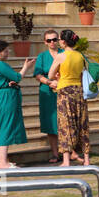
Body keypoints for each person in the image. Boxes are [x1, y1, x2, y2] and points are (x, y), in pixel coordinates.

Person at [0, 39, 36, 169]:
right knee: (5, 128)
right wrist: (26, 67)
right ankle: (3, 163)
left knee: (1, 128)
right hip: (4, 98)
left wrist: (8, 81)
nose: (8, 52)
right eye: (5, 51)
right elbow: (17, 77)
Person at [47, 29, 91, 167]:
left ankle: (66, 161)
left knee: (65, 125)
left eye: (59, 39)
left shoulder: (61, 56)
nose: (58, 41)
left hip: (65, 92)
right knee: (82, 124)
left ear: (64, 42)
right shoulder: (80, 56)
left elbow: (50, 75)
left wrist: (58, 76)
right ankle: (87, 159)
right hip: (79, 92)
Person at [32, 28, 61, 162]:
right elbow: (37, 75)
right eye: (49, 40)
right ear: (45, 42)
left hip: (64, 90)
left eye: (54, 39)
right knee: (50, 123)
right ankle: (55, 153)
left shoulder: (65, 53)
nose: (52, 42)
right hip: (47, 92)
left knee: (65, 121)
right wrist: (49, 82)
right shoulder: (42, 56)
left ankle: (69, 151)